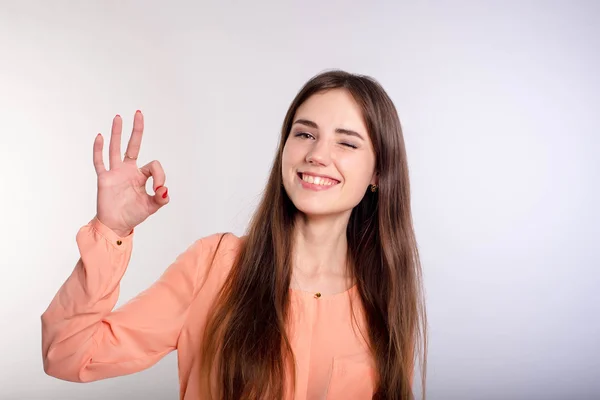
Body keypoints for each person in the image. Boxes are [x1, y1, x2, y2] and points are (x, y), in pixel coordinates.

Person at [41, 70, 427, 400]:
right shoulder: (214, 265)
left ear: (378, 172)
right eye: (305, 135)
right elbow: (68, 355)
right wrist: (111, 230)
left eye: (346, 142)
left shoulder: (385, 296)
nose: (317, 155)